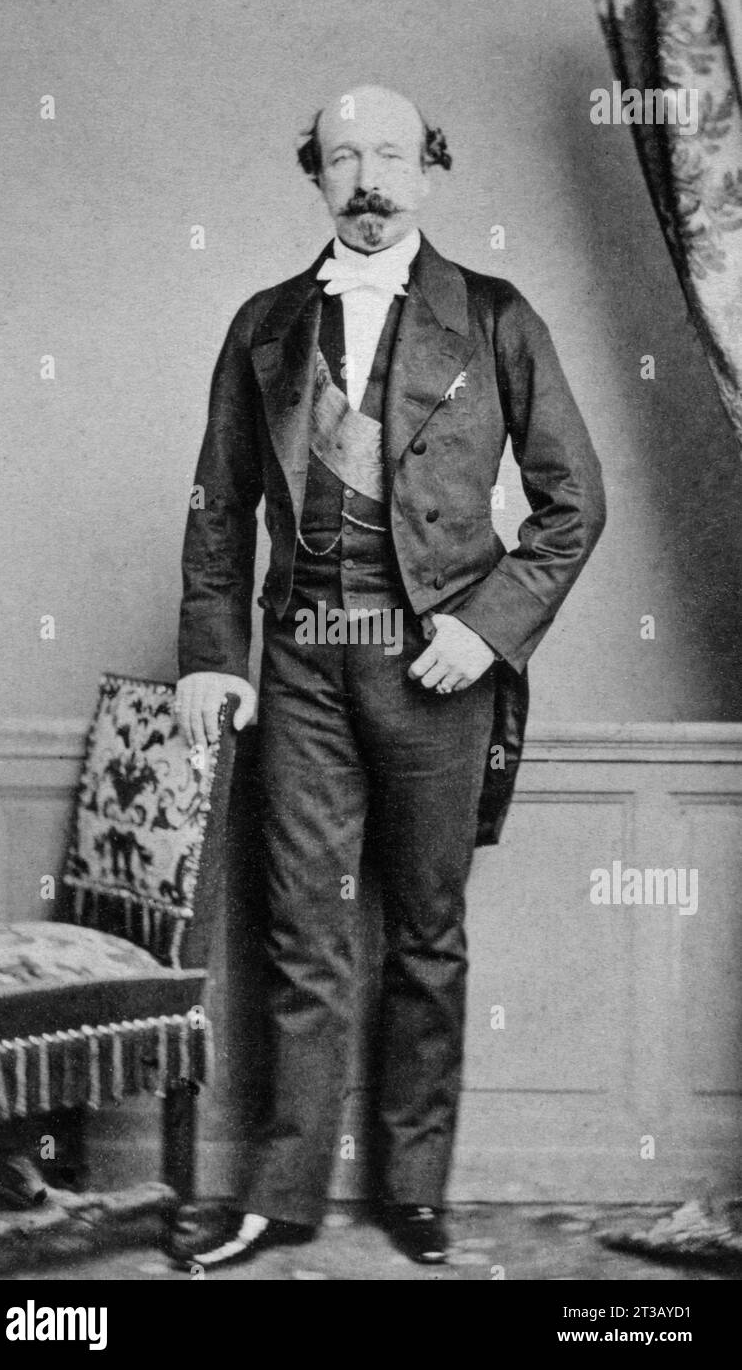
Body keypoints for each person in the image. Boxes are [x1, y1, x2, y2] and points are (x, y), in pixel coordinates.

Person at [174, 84, 606, 1267]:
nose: (368, 179)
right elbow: (218, 507)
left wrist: (488, 629)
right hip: (302, 666)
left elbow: (574, 502)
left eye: (392, 156)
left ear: (429, 169)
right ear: (316, 174)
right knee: (300, 937)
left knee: (425, 933)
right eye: (344, 158)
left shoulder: (496, 315)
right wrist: (212, 657)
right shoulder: (264, 325)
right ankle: (281, 1198)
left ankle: (415, 1191)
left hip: (436, 669)